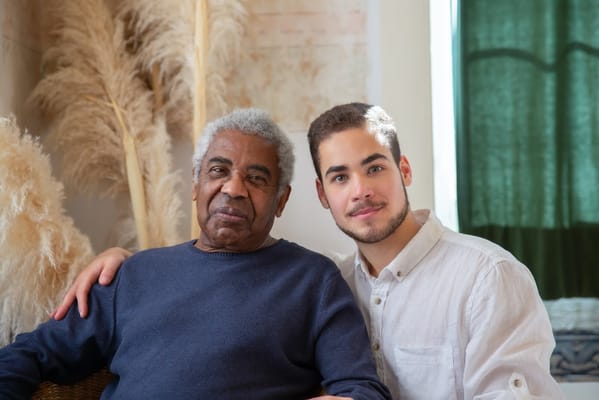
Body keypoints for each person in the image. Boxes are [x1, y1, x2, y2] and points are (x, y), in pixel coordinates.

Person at [54, 103, 564, 399]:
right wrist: (124, 261)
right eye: (340, 177)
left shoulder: (486, 277)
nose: (360, 190)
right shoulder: (335, 280)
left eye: (375, 167)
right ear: (323, 196)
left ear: (404, 171)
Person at [0, 108, 392, 400]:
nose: (233, 189)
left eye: (256, 178)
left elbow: (361, 391)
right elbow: (30, 354)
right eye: (218, 170)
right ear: (195, 184)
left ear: (281, 200)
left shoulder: (313, 280)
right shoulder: (130, 275)